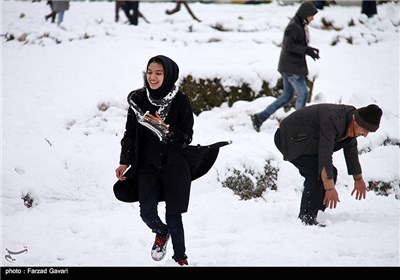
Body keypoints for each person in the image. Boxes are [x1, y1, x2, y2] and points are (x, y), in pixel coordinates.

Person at [114, 55, 229, 266]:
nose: (153, 77)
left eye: (158, 73)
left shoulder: (180, 101)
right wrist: (124, 161)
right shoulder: (138, 100)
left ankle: (181, 259)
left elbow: (187, 137)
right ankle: (161, 232)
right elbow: (130, 133)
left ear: (168, 75)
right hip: (147, 166)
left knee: (174, 216)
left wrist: (164, 128)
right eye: (150, 72)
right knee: (146, 211)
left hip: (175, 167)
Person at [274, 103, 383, 226]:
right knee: (316, 174)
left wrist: (358, 179)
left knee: (331, 173)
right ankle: (306, 218)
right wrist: (330, 188)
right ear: (356, 121)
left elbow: (351, 150)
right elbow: (325, 154)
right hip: (289, 138)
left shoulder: (351, 124)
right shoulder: (334, 120)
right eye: (365, 130)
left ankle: (317, 214)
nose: (365, 134)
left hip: (307, 142)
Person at [251, 2, 320, 132]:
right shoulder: (294, 26)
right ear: (305, 14)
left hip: (290, 66)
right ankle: (297, 125)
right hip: (291, 68)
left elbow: (297, 44)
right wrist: (306, 50)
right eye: (311, 15)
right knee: (303, 94)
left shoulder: (299, 24)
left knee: (287, 97)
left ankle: (259, 118)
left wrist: (309, 50)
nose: (313, 18)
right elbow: (288, 46)